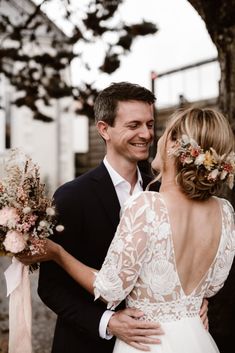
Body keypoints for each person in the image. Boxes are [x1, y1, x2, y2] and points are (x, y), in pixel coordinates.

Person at [19, 106, 221, 352]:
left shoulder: (159, 196)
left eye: (151, 125)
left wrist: (194, 301)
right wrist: (107, 322)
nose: (147, 134)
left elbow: (113, 287)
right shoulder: (72, 196)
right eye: (134, 125)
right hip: (94, 343)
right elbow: (51, 287)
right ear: (104, 129)